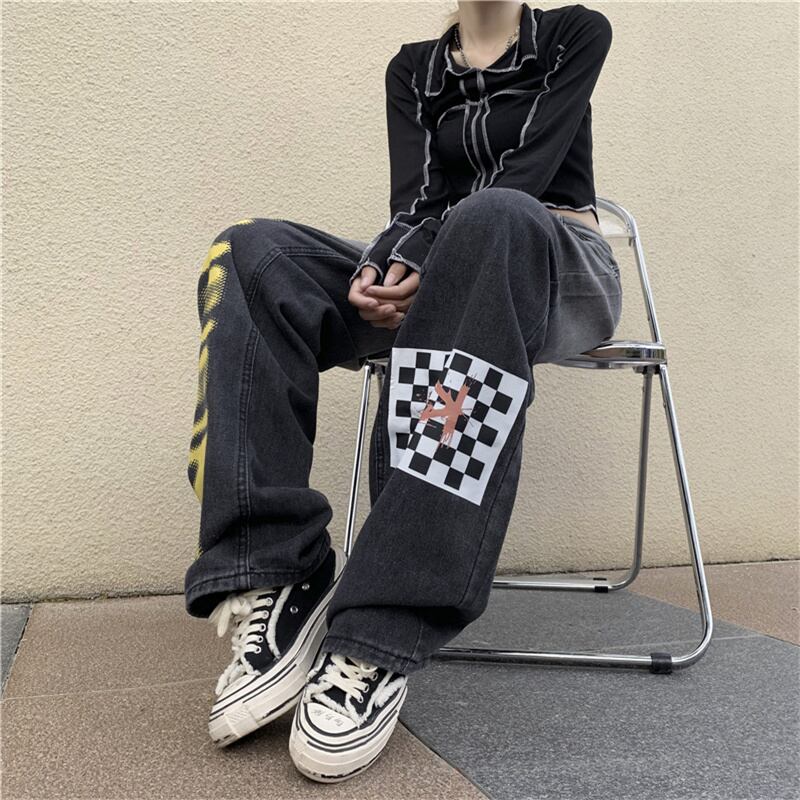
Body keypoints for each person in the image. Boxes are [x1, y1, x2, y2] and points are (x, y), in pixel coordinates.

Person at [185, 0, 621, 784]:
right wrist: (380, 273)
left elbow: (525, 173)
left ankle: (380, 631)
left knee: (493, 217)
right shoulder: (412, 68)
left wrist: (426, 256)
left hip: (553, 255)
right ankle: (282, 576)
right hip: (445, 263)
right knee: (250, 256)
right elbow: (415, 200)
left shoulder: (573, 34)